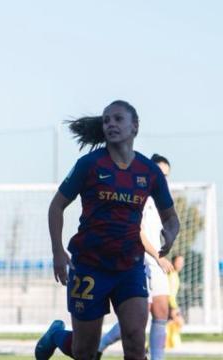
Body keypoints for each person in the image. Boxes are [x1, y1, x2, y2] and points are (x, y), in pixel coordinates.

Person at [34, 100, 180, 360]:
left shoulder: (149, 171)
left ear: (134, 126)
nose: (111, 124)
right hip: (90, 265)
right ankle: (58, 335)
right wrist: (58, 252)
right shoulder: (89, 165)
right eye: (106, 120)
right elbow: (56, 207)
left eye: (118, 119)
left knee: (135, 343)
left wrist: (170, 233)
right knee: (85, 351)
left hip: (130, 267)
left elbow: (171, 218)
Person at [96, 154, 175, 360]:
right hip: (140, 260)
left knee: (161, 311)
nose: (163, 178)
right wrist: (157, 256)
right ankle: (100, 345)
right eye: (159, 173)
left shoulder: (163, 200)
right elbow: (136, 231)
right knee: (138, 318)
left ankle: (158, 358)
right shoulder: (140, 197)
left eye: (166, 175)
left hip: (157, 261)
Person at [166, 255, 185, 349]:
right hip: (169, 303)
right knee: (179, 322)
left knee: (171, 323)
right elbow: (169, 292)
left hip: (171, 303)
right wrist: (173, 306)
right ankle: (169, 343)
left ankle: (168, 343)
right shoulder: (171, 274)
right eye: (179, 262)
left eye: (182, 262)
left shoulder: (175, 274)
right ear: (173, 262)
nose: (181, 264)